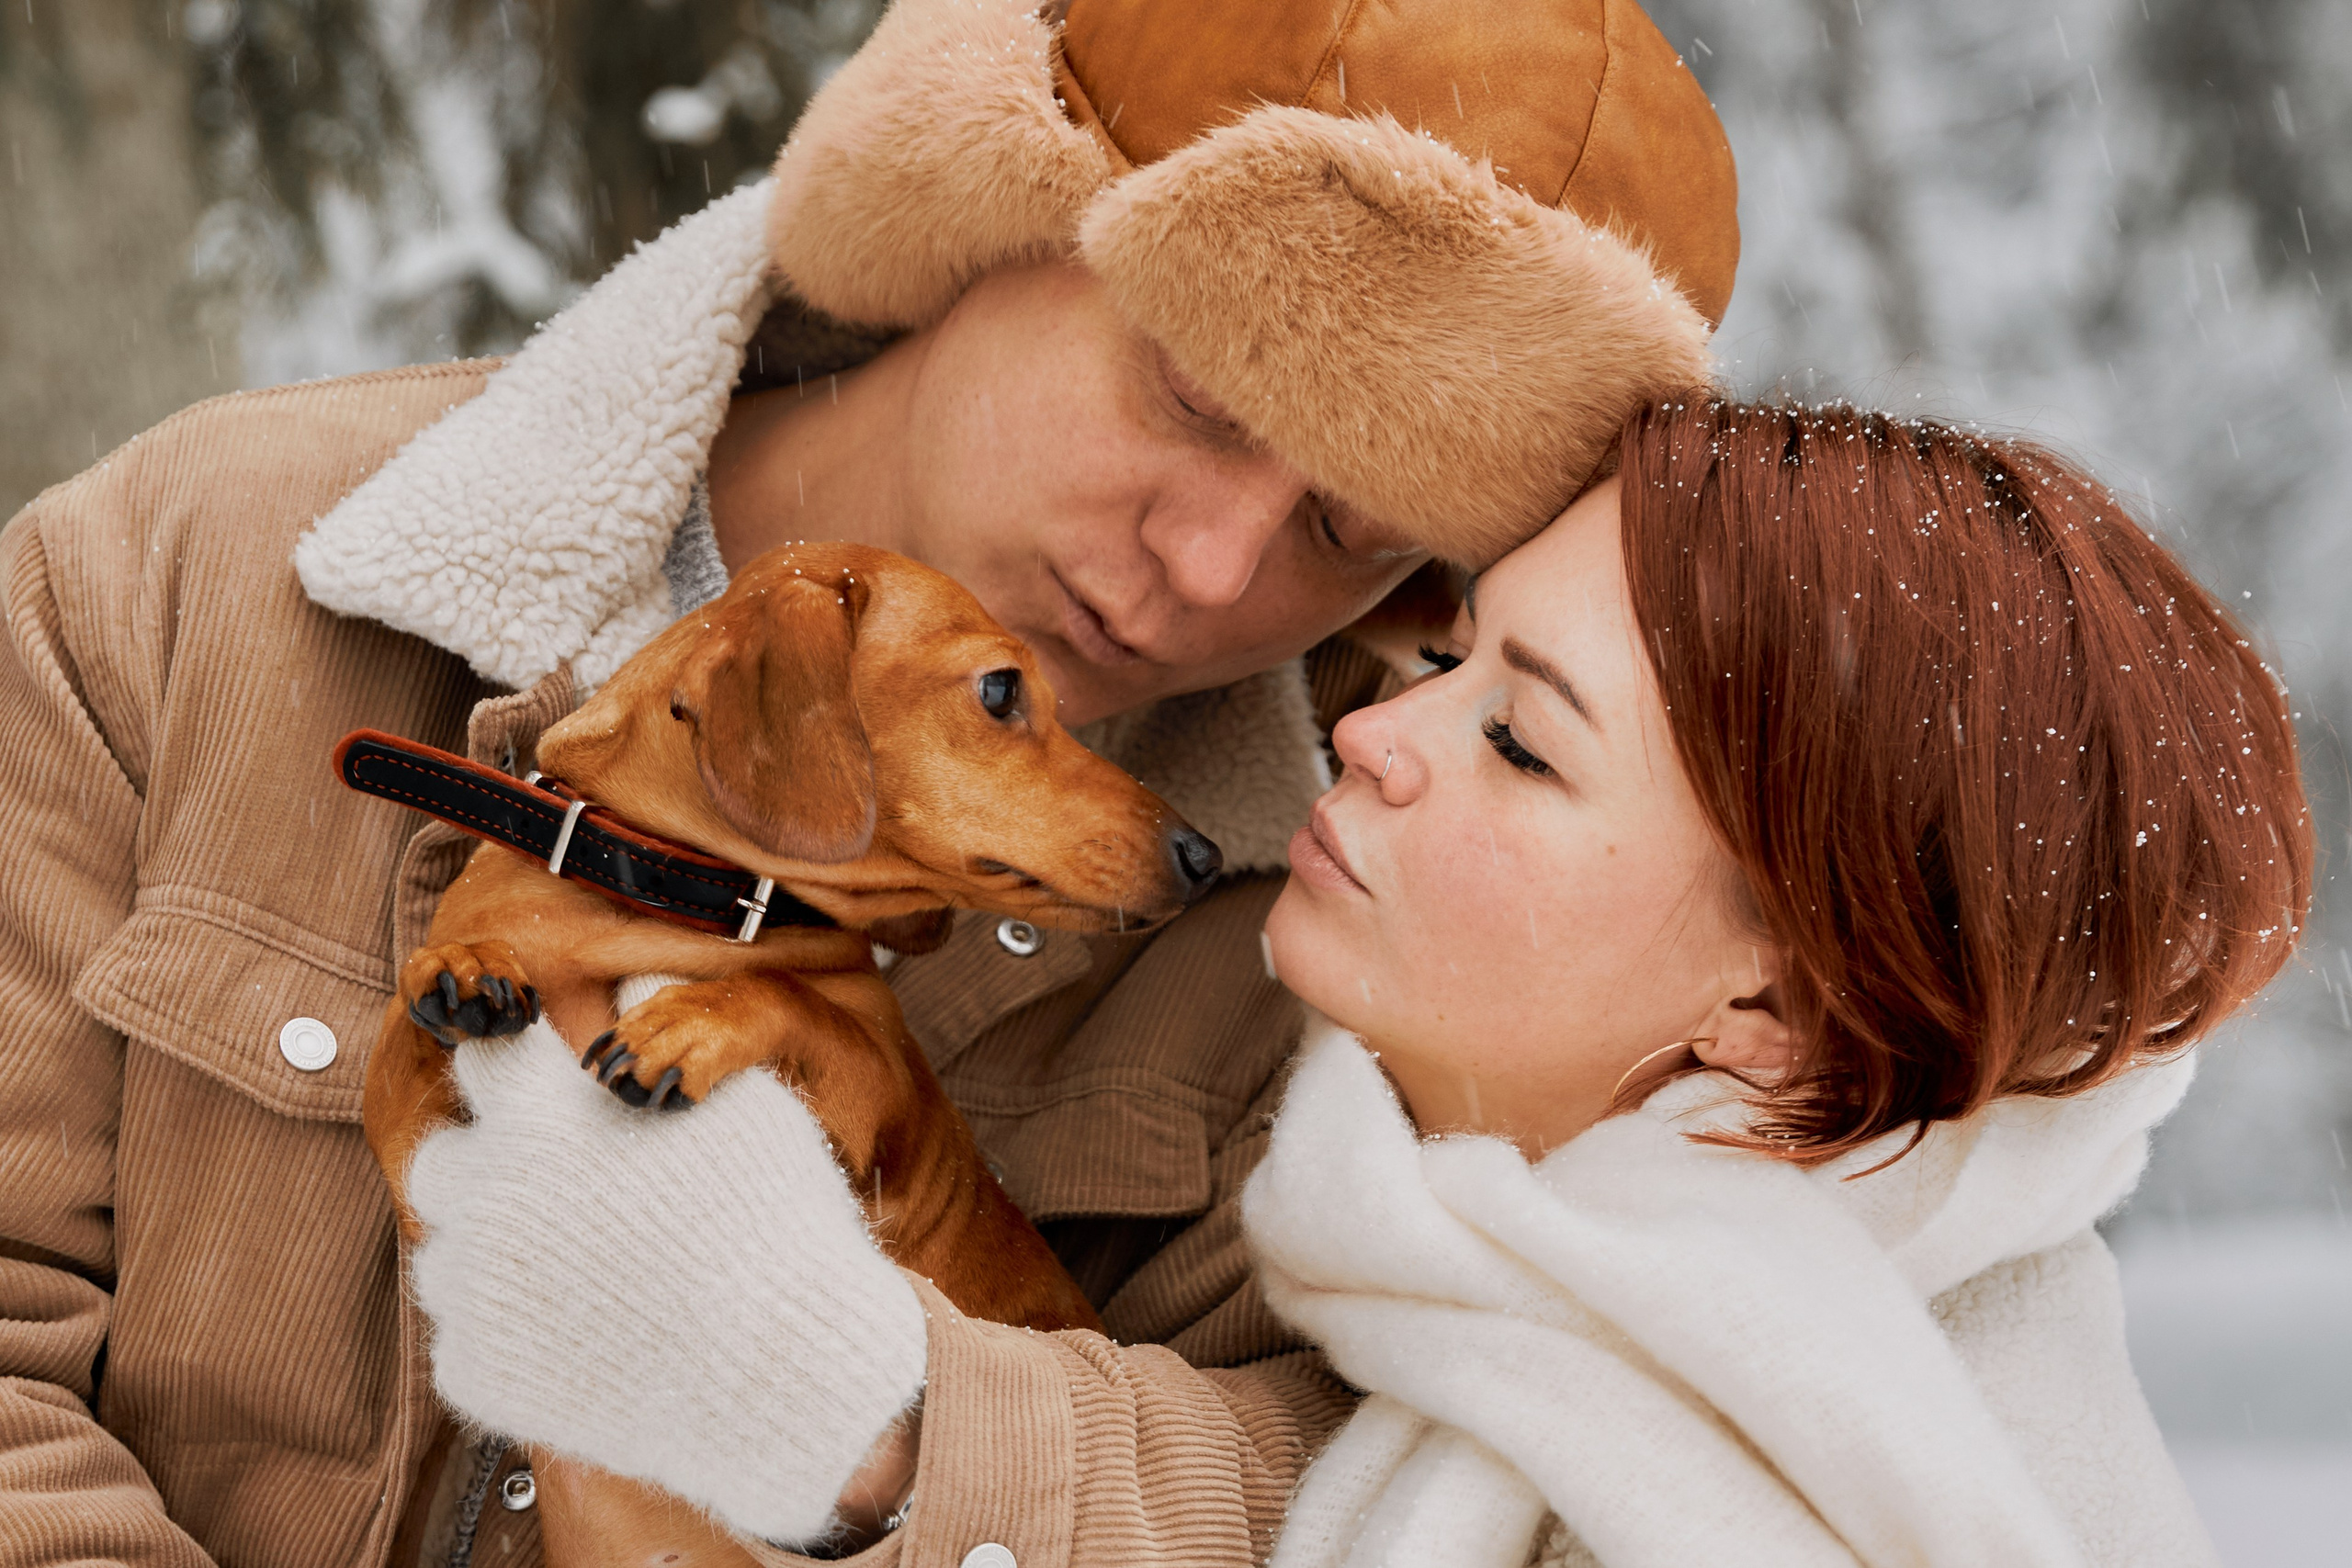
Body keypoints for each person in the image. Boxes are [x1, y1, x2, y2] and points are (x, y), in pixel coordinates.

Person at [0, 0, 1738, 1562]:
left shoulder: (1375, 928)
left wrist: (901, 1430)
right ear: (984, 211)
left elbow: (1428, 1491)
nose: (1213, 569)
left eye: (1354, 532)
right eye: (1201, 398)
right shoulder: (184, 574)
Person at [1243, 397, 2307, 1568]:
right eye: (1445, 656)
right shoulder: (1399, 1227)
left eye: (1520, 744)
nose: (1368, 732)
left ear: (1777, 1010)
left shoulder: (1786, 1508)